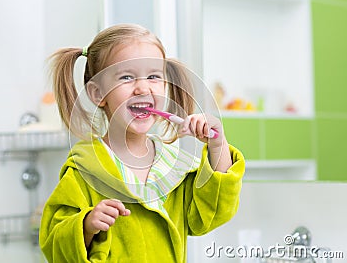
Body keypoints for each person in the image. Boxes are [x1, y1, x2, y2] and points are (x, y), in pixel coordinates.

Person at [39, 23, 245, 263]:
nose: (143, 87)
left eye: (154, 77)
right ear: (98, 94)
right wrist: (85, 225)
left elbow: (210, 214)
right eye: (126, 77)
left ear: (165, 86)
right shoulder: (83, 170)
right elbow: (54, 243)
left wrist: (218, 146)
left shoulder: (174, 166)